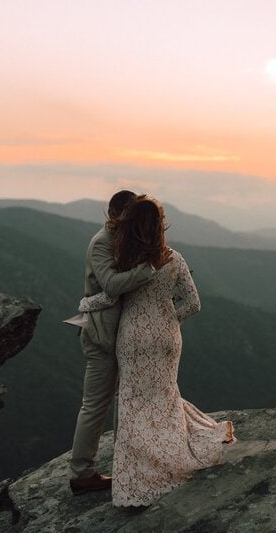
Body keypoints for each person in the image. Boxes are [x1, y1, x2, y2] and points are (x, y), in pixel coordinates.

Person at [80, 195, 234, 507]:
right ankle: (173, 452)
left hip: (133, 337)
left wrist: (84, 304)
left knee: (133, 400)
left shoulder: (127, 262)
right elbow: (194, 304)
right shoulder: (175, 259)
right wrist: (166, 320)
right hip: (167, 338)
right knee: (164, 395)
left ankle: (138, 473)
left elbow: (109, 296)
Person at [68, 190, 156, 495]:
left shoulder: (118, 240)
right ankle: (81, 473)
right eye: (129, 216)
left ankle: (125, 464)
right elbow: (112, 284)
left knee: (121, 400)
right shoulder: (101, 242)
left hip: (116, 333)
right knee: (94, 405)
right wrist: (149, 271)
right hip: (100, 334)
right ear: (115, 214)